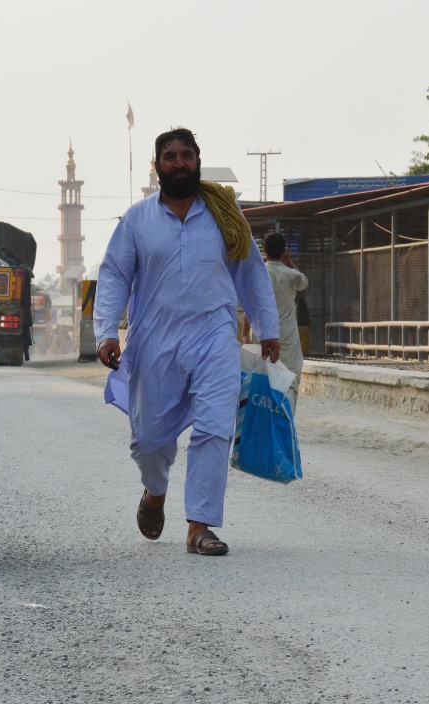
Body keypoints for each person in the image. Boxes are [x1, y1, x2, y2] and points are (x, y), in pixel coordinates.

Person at [94, 127, 280, 557]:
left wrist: (267, 327)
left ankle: (200, 524)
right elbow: (115, 276)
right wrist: (106, 333)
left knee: (215, 427)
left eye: (186, 156)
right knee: (149, 439)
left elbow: (250, 271)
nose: (179, 163)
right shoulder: (137, 220)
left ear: (197, 161)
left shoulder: (225, 216)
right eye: (170, 156)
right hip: (154, 340)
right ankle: (154, 491)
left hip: (214, 337)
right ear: (157, 166)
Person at [262, 232, 309, 412]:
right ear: (284, 251)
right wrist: (288, 261)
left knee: (264, 379)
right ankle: (287, 419)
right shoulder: (291, 275)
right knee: (290, 378)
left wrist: (244, 334)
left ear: (264, 250)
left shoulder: (259, 274)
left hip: (263, 335)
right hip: (287, 338)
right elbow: (303, 282)